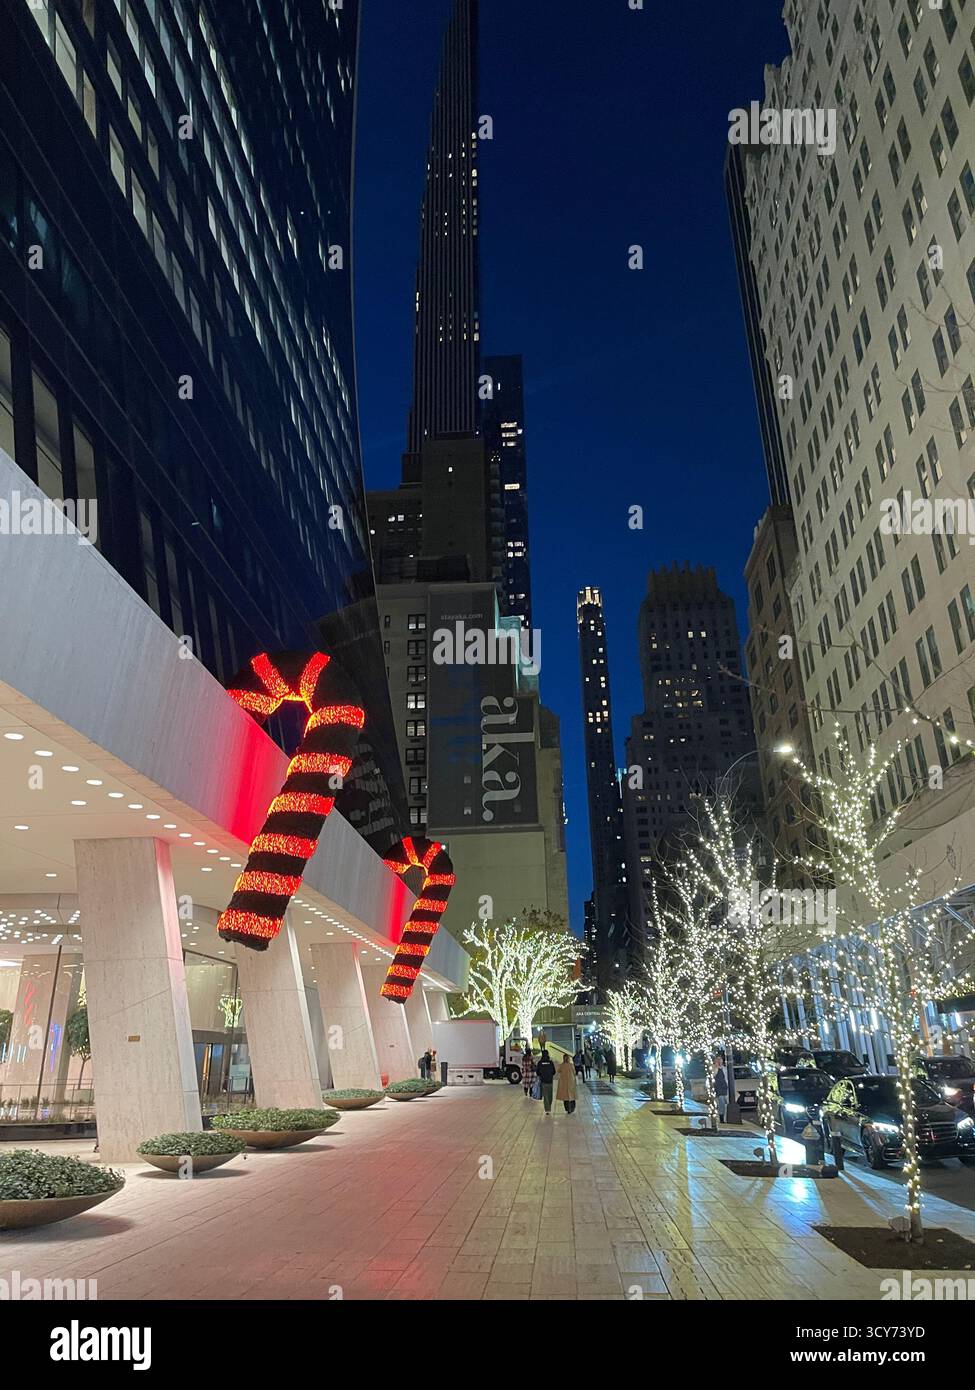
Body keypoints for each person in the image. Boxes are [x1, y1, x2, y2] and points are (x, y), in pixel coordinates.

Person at [535, 1050, 557, 1115]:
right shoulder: (550, 1062)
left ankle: (547, 1109)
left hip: (543, 1081)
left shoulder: (540, 1062)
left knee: (545, 1095)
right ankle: (549, 1106)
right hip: (550, 1081)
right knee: (550, 1095)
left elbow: (537, 1072)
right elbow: (554, 1072)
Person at [713, 1051, 729, 1124]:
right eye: (717, 1059)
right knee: (721, 1102)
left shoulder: (724, 1068)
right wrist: (716, 1067)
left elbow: (727, 1078)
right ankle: (721, 1118)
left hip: (724, 1087)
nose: (719, 1061)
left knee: (725, 1102)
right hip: (718, 1087)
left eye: (720, 1059)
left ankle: (724, 1117)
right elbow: (713, 1075)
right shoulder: (714, 1068)